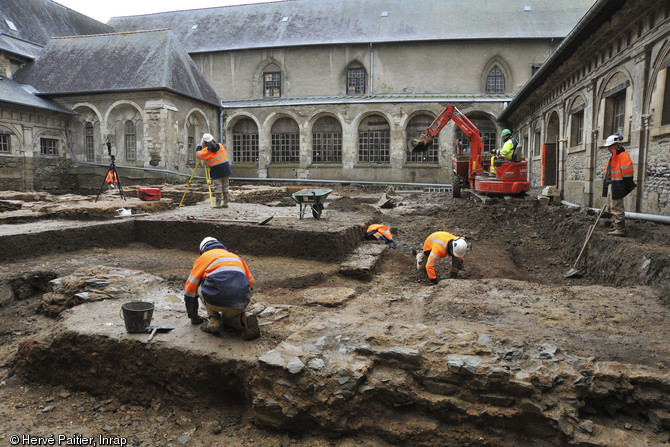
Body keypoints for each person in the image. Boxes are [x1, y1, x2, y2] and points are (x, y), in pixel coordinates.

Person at [183, 237, 260, 340]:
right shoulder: (235, 257)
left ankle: (214, 319)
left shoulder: (204, 257)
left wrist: (193, 317)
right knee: (229, 320)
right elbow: (250, 284)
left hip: (215, 299)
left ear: (202, 250)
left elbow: (190, 288)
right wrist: (241, 303)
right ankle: (243, 318)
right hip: (240, 299)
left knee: (198, 284)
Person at [602, 134, 636, 236]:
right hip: (611, 184)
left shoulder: (622, 156)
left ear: (616, 145)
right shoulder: (613, 157)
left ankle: (620, 228)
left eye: (610, 146)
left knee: (616, 207)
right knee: (611, 207)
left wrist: (625, 185)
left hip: (617, 184)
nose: (608, 149)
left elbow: (627, 173)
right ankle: (615, 225)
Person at [196, 133, 232, 208]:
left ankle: (218, 204)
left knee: (218, 186)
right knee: (225, 185)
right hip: (226, 168)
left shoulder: (206, 151)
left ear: (205, 143)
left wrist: (198, 147)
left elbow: (198, 155)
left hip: (216, 170)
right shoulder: (221, 145)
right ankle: (225, 203)